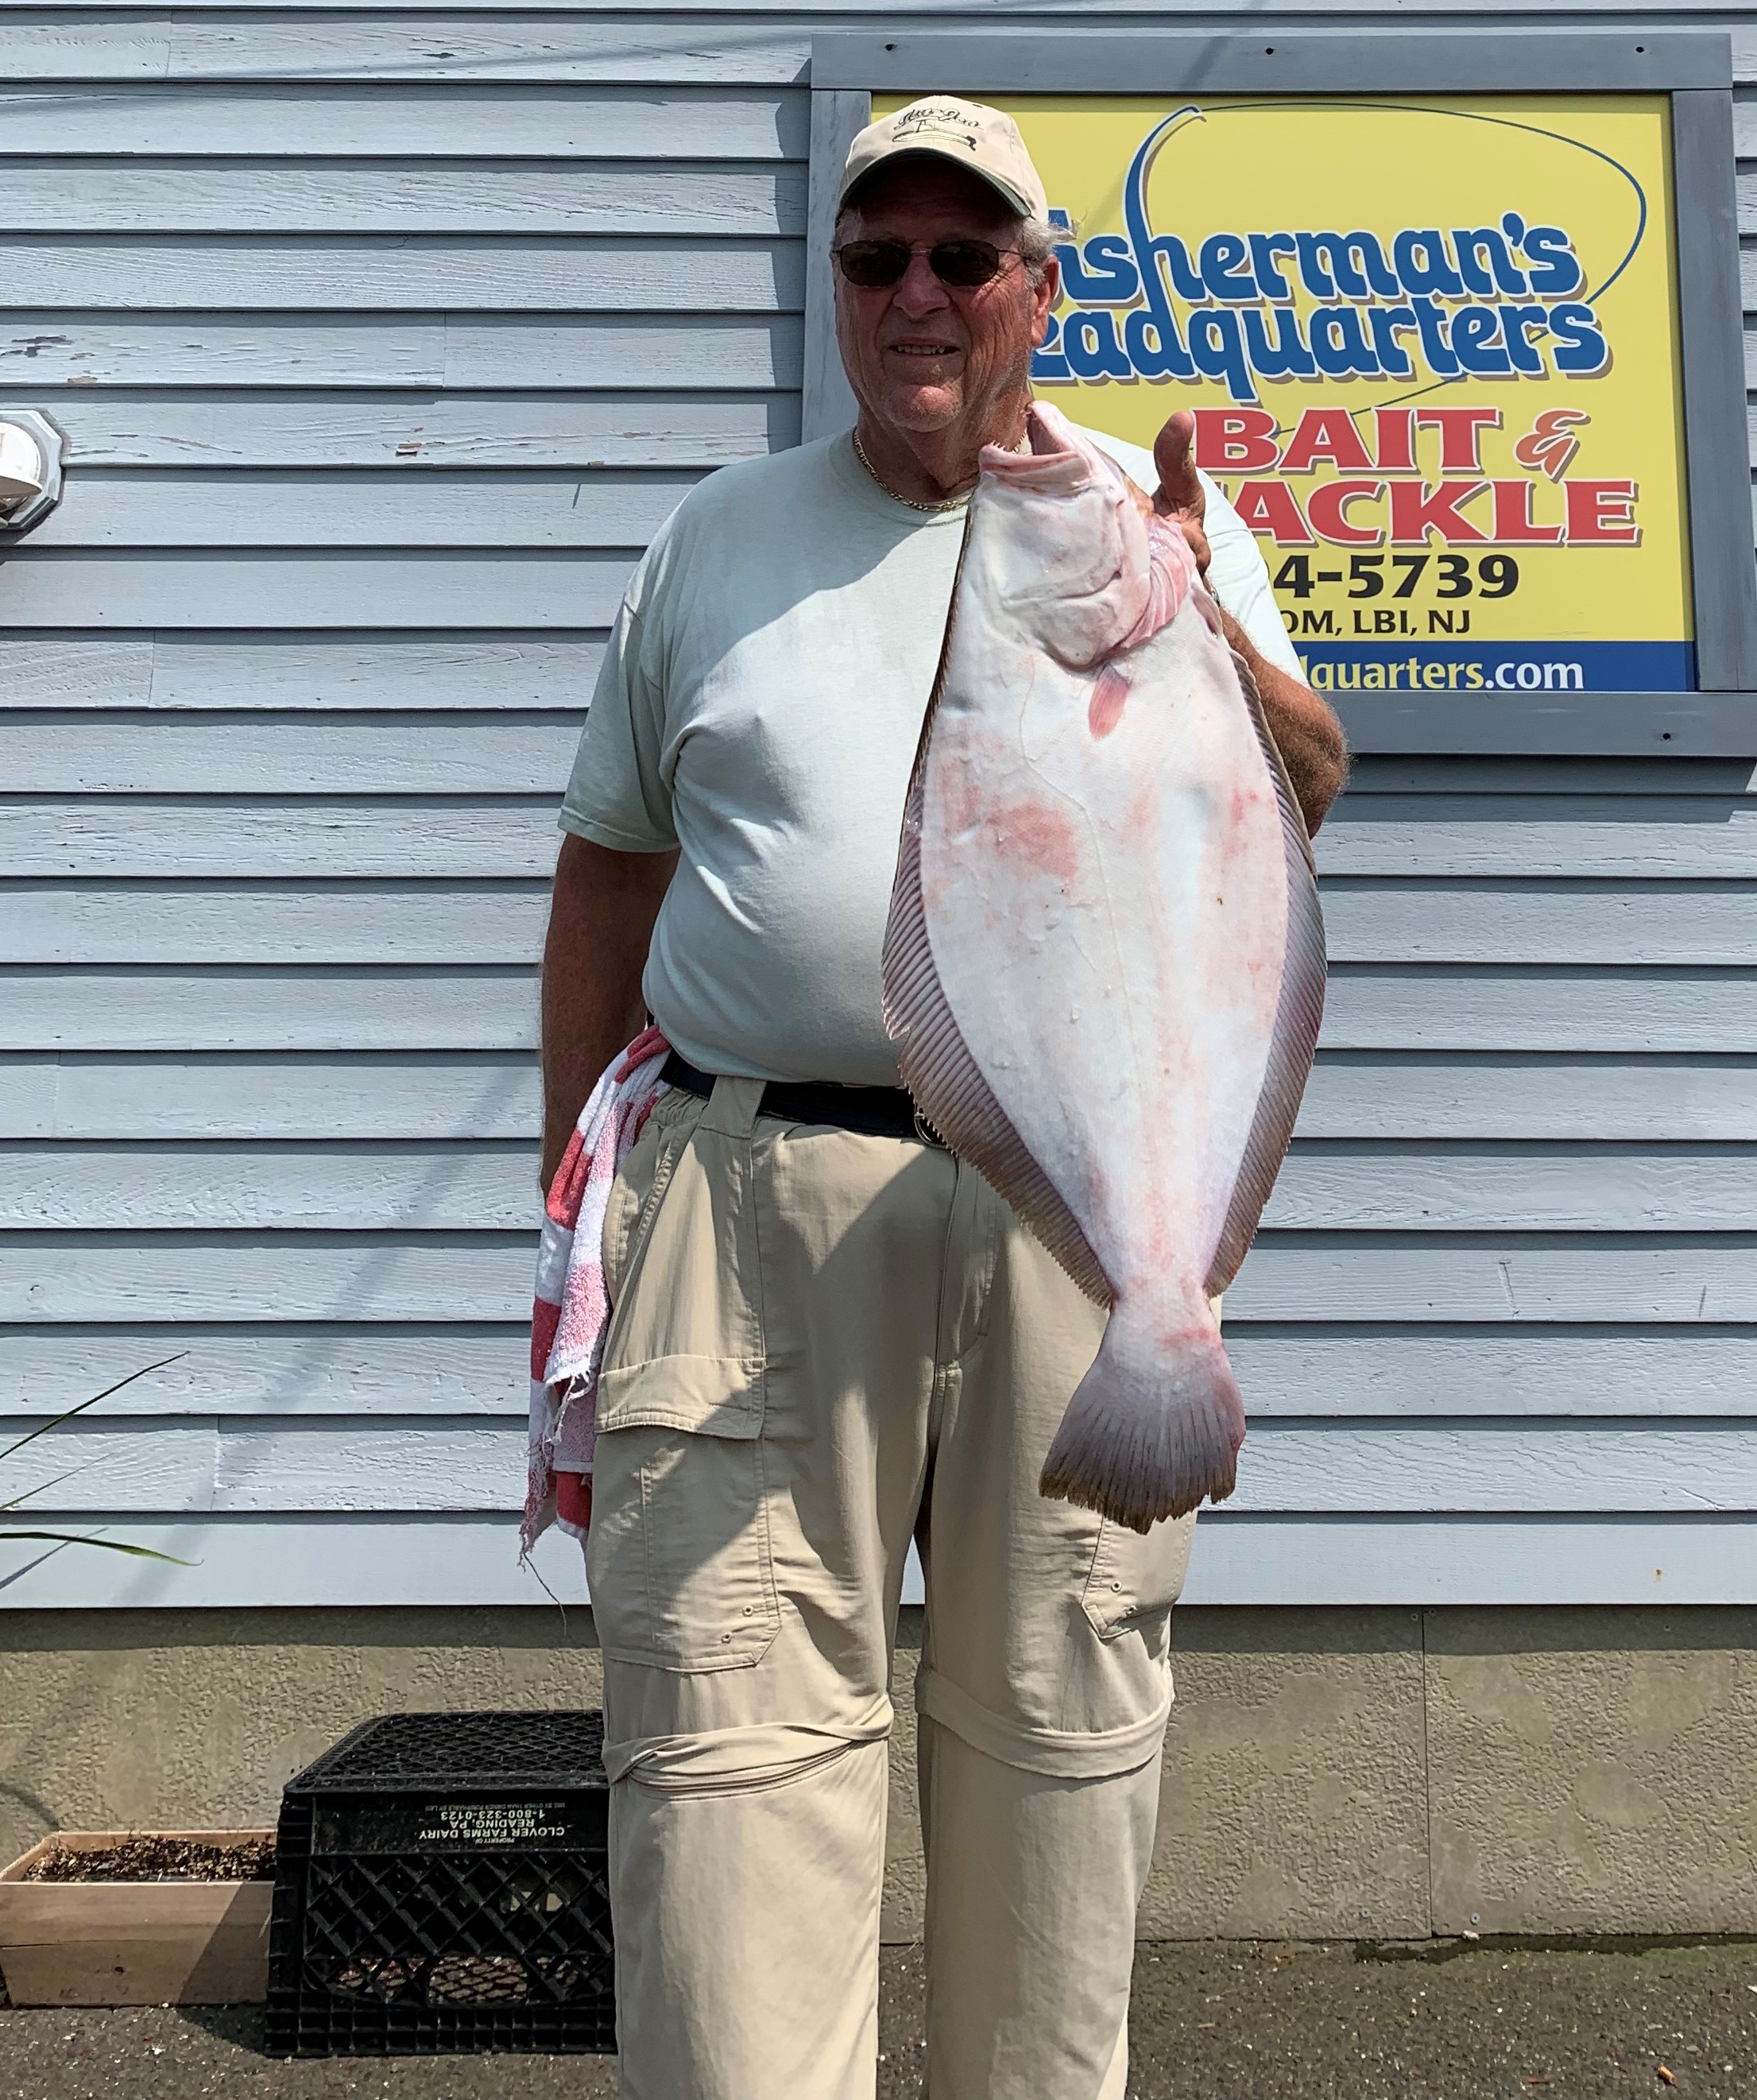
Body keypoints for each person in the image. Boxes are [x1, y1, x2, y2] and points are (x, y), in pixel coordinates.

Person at [540, 94, 1346, 2100]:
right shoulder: (716, 536)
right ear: (837, 289)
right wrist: (583, 1192)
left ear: (1038, 288)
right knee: (727, 1759)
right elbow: (605, 868)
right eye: (873, 254)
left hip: (1076, 1220)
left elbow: (1309, 790)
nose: (916, 291)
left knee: (1060, 1737)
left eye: (963, 255)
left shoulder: (1149, 517)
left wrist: (1203, 621)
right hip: (744, 1201)